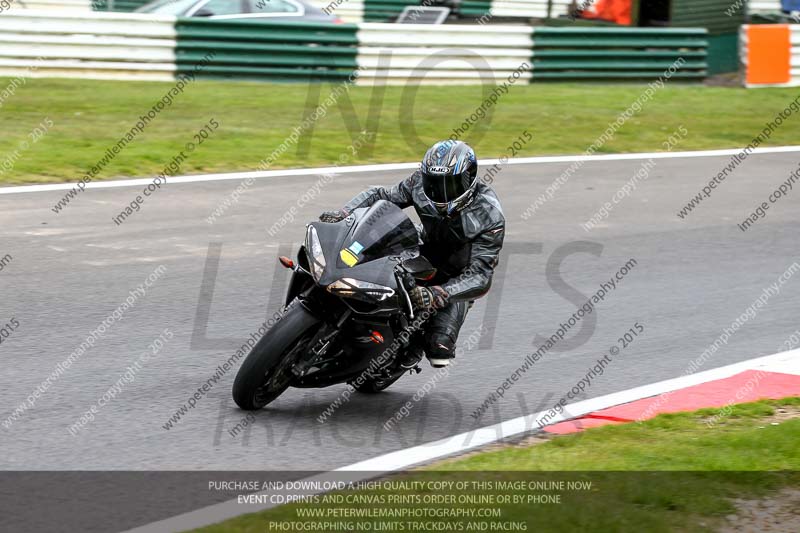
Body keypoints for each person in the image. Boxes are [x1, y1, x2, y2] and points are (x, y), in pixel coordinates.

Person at [319, 140, 505, 368]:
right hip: (421, 248)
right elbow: (381, 195)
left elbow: (481, 276)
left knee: (439, 351)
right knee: (362, 260)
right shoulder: (418, 183)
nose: (440, 191)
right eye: (434, 183)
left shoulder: (490, 215)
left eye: (451, 184)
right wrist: (344, 212)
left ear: (470, 178)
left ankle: (408, 350)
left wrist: (438, 293)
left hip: (454, 277)